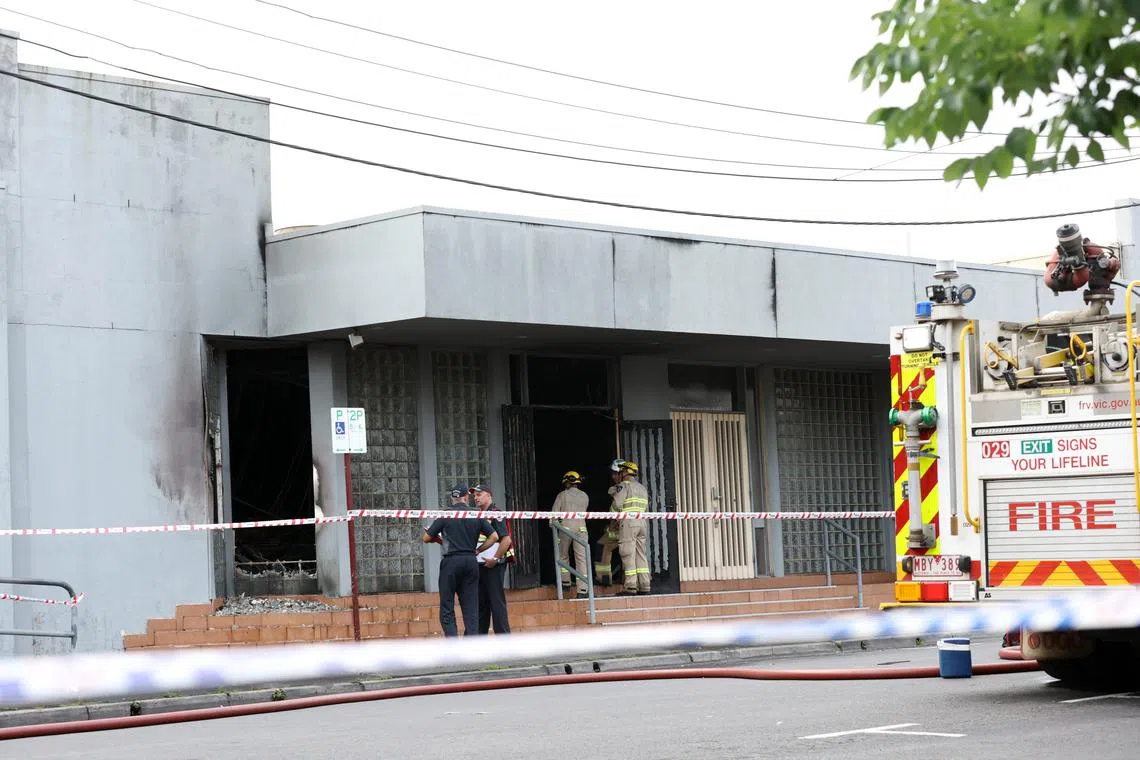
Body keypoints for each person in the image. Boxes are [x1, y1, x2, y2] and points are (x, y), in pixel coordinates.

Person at [421, 483, 497, 637]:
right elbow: (494, 537)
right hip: (470, 561)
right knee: (471, 607)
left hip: (451, 562)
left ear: (452, 498)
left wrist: (440, 539)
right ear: (466, 497)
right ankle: (471, 644)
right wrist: (478, 550)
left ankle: (453, 643)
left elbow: (426, 538)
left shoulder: (446, 515)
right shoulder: (476, 515)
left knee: (447, 606)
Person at [470, 483, 513, 634]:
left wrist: (495, 558)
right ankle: (480, 640)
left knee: (496, 602)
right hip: (480, 564)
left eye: (479, 494)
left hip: (494, 565)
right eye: (474, 496)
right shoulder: (478, 514)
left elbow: (506, 539)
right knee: (481, 604)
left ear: (488, 495)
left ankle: (503, 640)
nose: (475, 498)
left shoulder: (496, 513)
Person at [610, 459, 651, 596]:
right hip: (642, 523)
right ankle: (644, 585)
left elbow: (617, 505)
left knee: (627, 553)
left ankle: (630, 586)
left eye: (621, 472)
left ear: (625, 473)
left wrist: (614, 519)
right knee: (641, 554)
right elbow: (646, 508)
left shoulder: (624, 486)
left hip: (629, 523)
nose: (620, 474)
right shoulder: (642, 488)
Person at [551, 471, 590, 598]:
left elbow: (554, 514)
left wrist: (553, 525)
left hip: (565, 528)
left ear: (567, 482)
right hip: (582, 529)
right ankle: (583, 590)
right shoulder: (585, 496)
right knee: (581, 559)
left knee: (563, 556)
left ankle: (565, 582)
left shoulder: (562, 495)